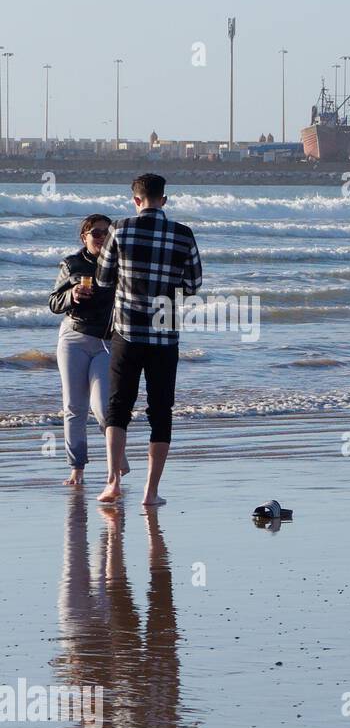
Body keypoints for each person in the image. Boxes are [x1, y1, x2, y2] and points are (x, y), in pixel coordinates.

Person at [94, 173, 202, 509]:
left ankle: (113, 482)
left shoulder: (120, 228)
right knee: (161, 411)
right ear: (164, 200)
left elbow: (102, 278)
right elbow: (193, 284)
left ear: (136, 200)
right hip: (164, 334)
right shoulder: (183, 234)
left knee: (118, 407)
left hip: (126, 332)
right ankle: (150, 492)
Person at [49, 214, 125, 487]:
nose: (102, 237)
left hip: (107, 341)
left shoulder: (120, 264)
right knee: (74, 407)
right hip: (74, 338)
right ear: (84, 237)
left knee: (104, 407)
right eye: (96, 233)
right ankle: (76, 468)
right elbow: (54, 302)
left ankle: (116, 459)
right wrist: (72, 296)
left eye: (107, 232)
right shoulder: (72, 264)